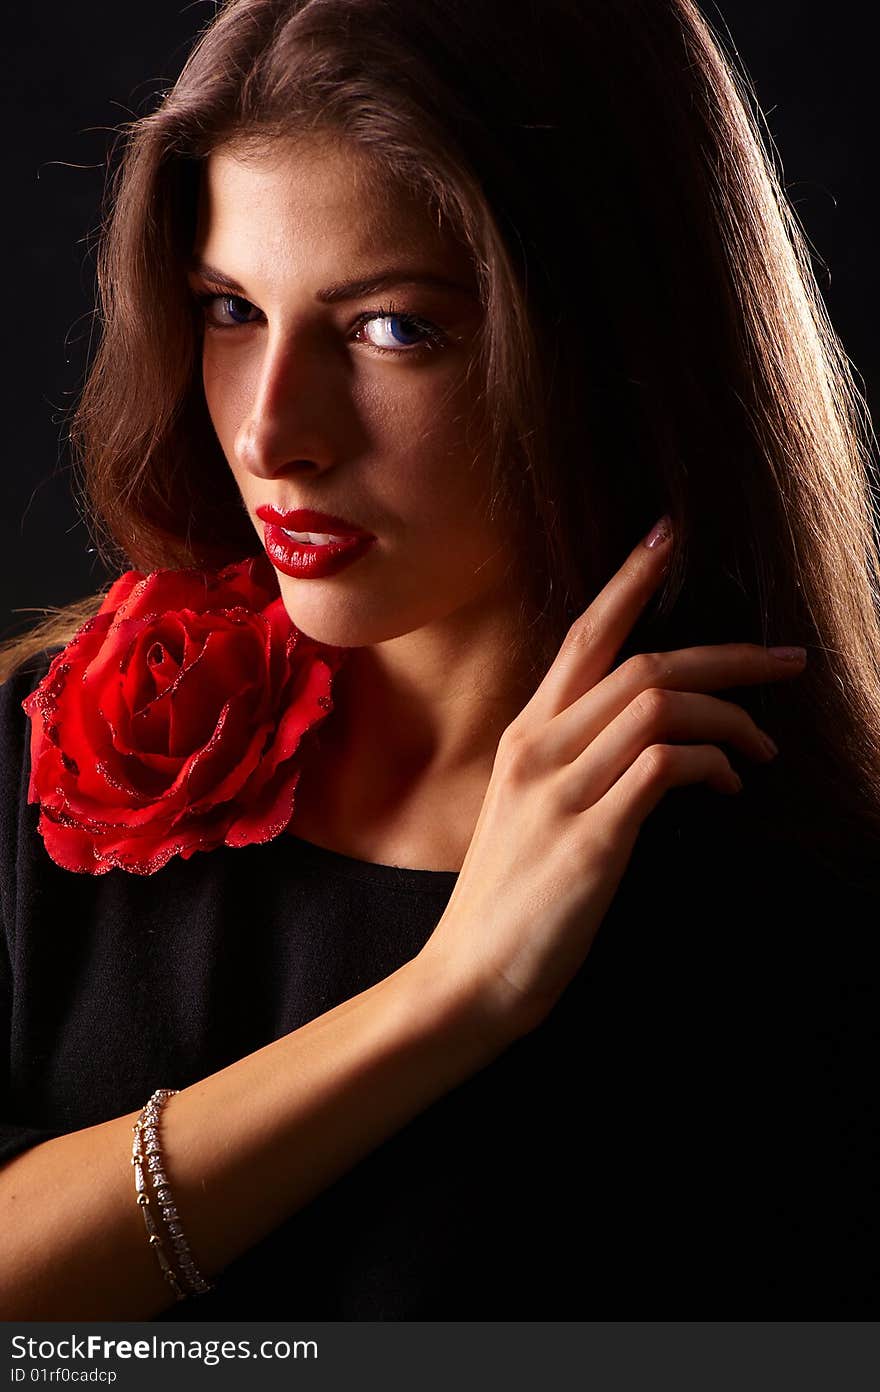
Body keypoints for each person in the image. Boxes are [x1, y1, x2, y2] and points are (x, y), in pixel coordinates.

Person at [1, 0, 878, 1319]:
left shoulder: (793, 896)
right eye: (231, 308)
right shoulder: (57, 738)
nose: (271, 435)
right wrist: (446, 1002)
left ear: (613, 346)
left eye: (391, 329)